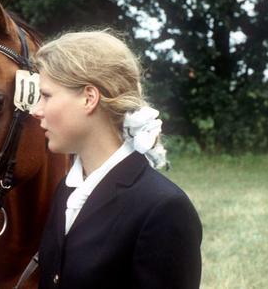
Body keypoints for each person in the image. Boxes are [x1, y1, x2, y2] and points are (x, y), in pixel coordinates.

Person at [30, 31, 202, 288]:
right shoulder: (67, 190)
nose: (36, 111)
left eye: (46, 95)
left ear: (89, 98)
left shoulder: (163, 209)